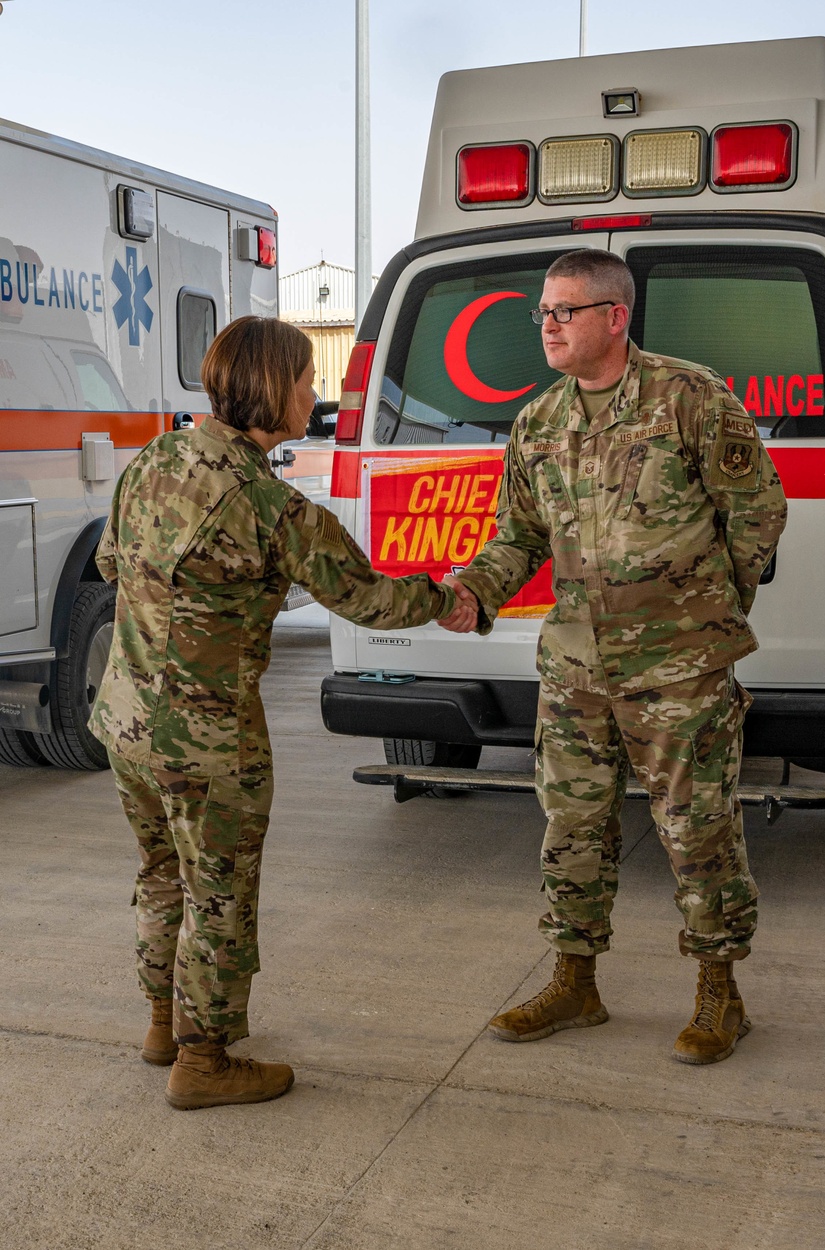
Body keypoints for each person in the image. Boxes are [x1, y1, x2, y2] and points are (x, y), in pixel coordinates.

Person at [90, 315, 475, 1110]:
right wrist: (449, 596)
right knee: (221, 892)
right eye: (306, 381)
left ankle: (162, 1022)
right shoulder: (270, 507)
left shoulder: (156, 459)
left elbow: (108, 561)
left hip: (126, 721)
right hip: (209, 741)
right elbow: (367, 597)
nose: (315, 395)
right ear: (273, 389)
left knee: (163, 872)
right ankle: (205, 1060)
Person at [441, 251, 787, 1063]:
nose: (549, 326)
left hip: (679, 672)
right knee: (572, 828)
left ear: (616, 317)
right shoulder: (537, 422)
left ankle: (719, 994)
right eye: (544, 313)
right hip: (575, 671)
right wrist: (474, 591)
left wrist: (708, 614)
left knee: (697, 832)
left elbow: (758, 511)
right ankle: (575, 982)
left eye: (566, 310)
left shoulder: (689, 398)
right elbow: (518, 537)